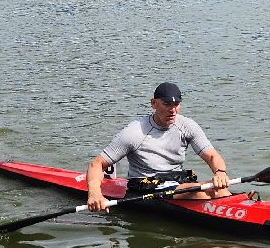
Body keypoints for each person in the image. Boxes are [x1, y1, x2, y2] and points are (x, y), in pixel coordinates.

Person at [85, 82, 230, 210]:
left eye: (176, 104)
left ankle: (240, 207)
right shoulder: (135, 132)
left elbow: (212, 155)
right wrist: (95, 194)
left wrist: (220, 173)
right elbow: (97, 164)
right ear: (153, 103)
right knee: (202, 192)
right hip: (145, 185)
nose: (172, 110)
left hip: (177, 180)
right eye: (167, 104)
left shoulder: (187, 126)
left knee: (220, 189)